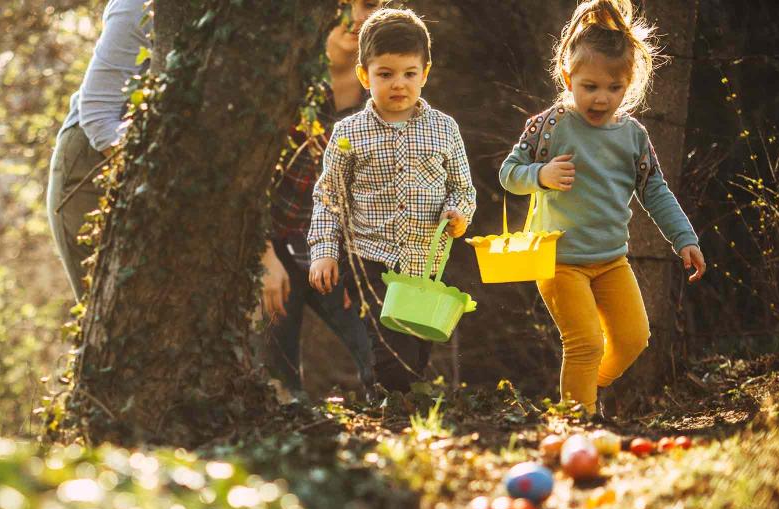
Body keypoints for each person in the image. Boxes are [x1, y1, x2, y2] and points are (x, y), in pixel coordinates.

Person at [498, 0, 705, 416]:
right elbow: (508, 173)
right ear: (567, 76)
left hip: (611, 261)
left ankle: (582, 389)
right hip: (558, 260)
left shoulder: (633, 137)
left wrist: (684, 238)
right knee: (585, 342)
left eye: (614, 88)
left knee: (633, 339)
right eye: (590, 86)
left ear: (629, 85)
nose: (601, 98)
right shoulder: (550, 125)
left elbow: (655, 191)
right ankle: (578, 422)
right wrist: (540, 174)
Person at [306, 7, 477, 393]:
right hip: (371, 259)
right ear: (365, 75)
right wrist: (324, 251)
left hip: (426, 262)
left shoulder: (444, 129)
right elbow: (329, 195)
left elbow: (463, 189)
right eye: (385, 74)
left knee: (416, 351)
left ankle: (397, 409)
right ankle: (389, 409)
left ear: (425, 73)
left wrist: (459, 214)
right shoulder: (349, 133)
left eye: (409, 74)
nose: (398, 84)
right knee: (388, 349)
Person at [261, 0, 383, 399]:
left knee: (381, 358)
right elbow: (247, 183)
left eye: (369, 4)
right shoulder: (288, 77)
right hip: (271, 247)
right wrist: (262, 260)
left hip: (329, 249)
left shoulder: (384, 86)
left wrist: (356, 267)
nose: (357, 17)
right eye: (343, 4)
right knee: (277, 384)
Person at [45, 0, 151, 302]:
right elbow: (99, 117)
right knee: (108, 319)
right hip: (90, 167)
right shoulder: (139, 6)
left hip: (141, 161)